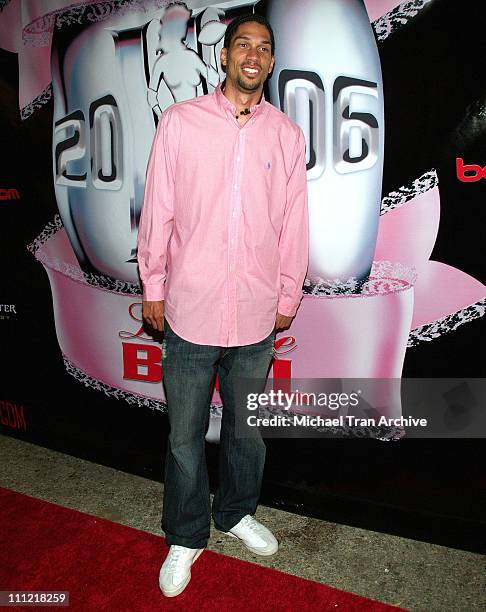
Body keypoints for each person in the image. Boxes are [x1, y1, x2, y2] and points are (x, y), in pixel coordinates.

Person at [137, 13, 309, 598]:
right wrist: (153, 285)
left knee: (248, 431)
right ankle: (185, 535)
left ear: (270, 59)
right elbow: (158, 208)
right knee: (184, 437)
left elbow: (294, 226)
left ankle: (235, 513)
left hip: (258, 312)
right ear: (226, 55)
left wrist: (288, 292)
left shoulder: (284, 135)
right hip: (190, 309)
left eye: (264, 47)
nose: (253, 55)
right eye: (243, 45)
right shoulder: (181, 124)